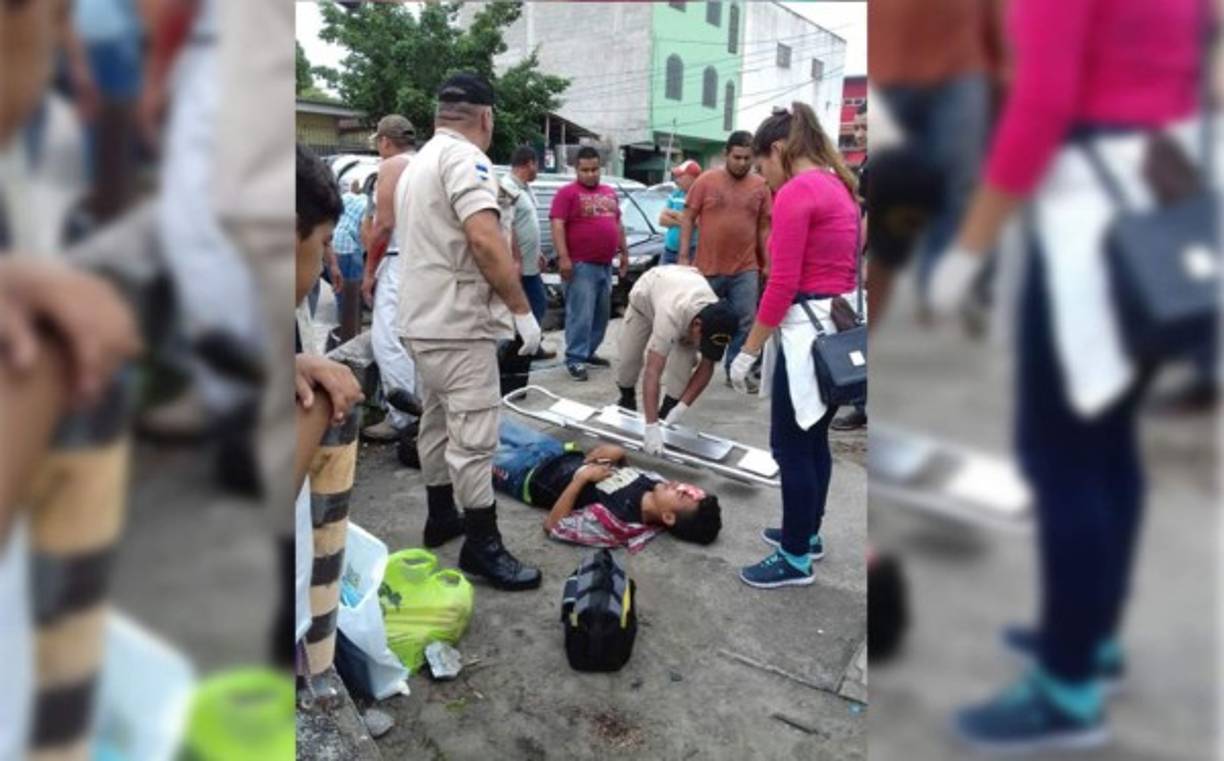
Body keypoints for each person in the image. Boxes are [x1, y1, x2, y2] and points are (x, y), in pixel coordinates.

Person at [926, 0, 1204, 750]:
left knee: (1063, 452)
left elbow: (1040, 104)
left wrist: (970, 248)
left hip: (1090, 208)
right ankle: (1093, 633)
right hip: (1163, 191)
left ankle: (1067, 687)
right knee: (1109, 440)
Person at [397, 73, 543, 591]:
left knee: (436, 421)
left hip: (421, 320)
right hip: (457, 325)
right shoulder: (467, 160)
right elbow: (483, 239)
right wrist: (522, 310)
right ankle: (482, 546)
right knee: (476, 436)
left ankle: (441, 515)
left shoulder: (420, 163)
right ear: (486, 118)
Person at [728, 102, 861, 590]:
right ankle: (807, 532)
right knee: (813, 439)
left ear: (779, 149)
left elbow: (781, 283)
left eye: (763, 165)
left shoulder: (798, 192)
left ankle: (795, 556)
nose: (764, 177)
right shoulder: (838, 186)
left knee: (791, 446)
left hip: (806, 333)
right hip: (834, 332)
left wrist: (747, 351)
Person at [869, 0, 1003, 316]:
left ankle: (946, 286)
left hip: (959, 69)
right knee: (890, 189)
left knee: (960, 182)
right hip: (887, 70)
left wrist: (1001, 65)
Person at [491, 419, 722, 550]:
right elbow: (624, 474)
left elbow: (554, 526)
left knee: (467, 446)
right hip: (553, 449)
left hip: (526, 473)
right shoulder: (656, 484)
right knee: (486, 416)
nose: (677, 485)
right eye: (686, 487)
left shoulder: (618, 522)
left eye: (681, 495)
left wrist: (580, 480)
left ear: (668, 517)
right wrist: (619, 456)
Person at [679, 131, 773, 386]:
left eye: (747, 158)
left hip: (745, 267)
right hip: (707, 267)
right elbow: (687, 218)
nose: (742, 163)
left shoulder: (760, 186)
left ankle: (735, 371)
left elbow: (765, 226)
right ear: (726, 154)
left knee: (745, 319)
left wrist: (768, 263)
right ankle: (688, 364)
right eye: (737, 157)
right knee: (697, 319)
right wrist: (684, 257)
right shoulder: (706, 181)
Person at [613, 265, 739, 455]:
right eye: (703, 340)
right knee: (628, 362)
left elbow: (707, 365)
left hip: (684, 297)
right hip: (647, 298)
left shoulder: (715, 316)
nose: (704, 346)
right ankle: (627, 396)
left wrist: (681, 407)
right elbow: (653, 372)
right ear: (697, 326)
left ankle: (667, 413)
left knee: (681, 374)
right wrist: (650, 426)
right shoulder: (670, 315)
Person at [360, 114, 420, 442]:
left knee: (388, 342)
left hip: (399, 261)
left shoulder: (392, 166)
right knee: (416, 340)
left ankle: (400, 417)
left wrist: (369, 272)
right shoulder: (427, 163)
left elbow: (383, 225)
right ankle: (423, 411)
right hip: (426, 262)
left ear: (385, 141)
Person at [549, 145, 629, 381]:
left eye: (595, 169)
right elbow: (557, 225)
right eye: (585, 170)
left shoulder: (609, 192)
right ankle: (575, 357)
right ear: (576, 169)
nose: (591, 174)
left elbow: (617, 223)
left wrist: (623, 251)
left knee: (600, 315)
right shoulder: (567, 193)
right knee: (580, 314)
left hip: (605, 264)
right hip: (580, 264)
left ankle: (588, 351)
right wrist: (563, 257)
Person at [500, 145, 555, 359]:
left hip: (530, 263)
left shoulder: (524, 188)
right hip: (519, 265)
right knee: (532, 305)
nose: (537, 170)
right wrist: (516, 258)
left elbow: (527, 224)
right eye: (536, 165)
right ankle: (520, 349)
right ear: (529, 163)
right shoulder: (507, 188)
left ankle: (532, 345)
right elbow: (507, 225)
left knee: (537, 304)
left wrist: (538, 252)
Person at [329, 178, 367, 314]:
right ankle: (350, 324)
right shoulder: (367, 204)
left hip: (333, 244)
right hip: (350, 247)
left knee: (339, 286)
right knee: (353, 289)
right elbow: (364, 231)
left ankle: (342, 319)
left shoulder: (344, 198)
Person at [657, 159, 701, 265]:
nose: (677, 180)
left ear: (692, 178)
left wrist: (673, 214)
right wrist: (686, 222)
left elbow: (698, 222)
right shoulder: (676, 193)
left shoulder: (699, 195)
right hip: (669, 251)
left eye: (681, 176)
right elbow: (662, 220)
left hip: (691, 252)